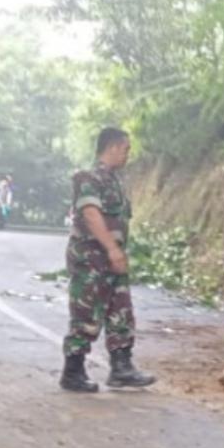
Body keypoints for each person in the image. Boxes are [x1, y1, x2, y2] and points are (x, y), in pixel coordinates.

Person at [59, 127, 156, 393]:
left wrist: (117, 253)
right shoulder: (87, 178)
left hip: (114, 259)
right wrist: (112, 249)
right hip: (91, 259)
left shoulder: (115, 181)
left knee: (121, 310)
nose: (127, 155)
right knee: (86, 313)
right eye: (125, 150)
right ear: (112, 148)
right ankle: (73, 371)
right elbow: (91, 215)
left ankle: (121, 367)